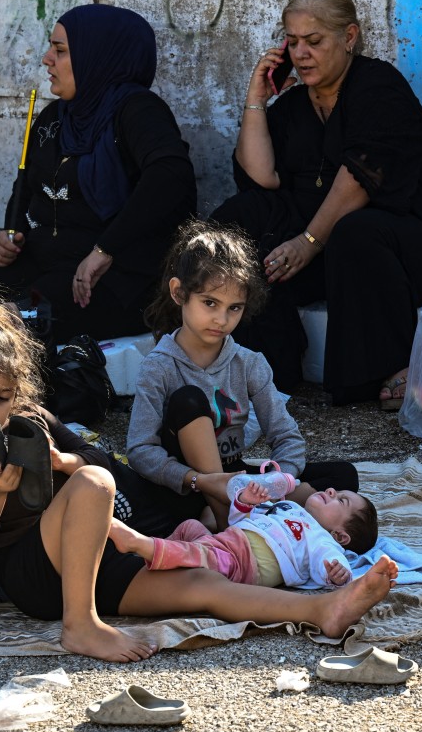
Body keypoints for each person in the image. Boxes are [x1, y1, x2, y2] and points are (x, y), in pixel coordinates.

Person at [0, 297, 397, 663]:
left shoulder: (31, 418)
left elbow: (100, 459)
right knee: (92, 483)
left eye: (4, 396)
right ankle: (81, 625)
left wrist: (64, 461)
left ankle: (325, 611)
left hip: (95, 559)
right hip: (36, 573)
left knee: (201, 584)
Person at [210, 0, 422, 407]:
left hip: (404, 248)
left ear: (349, 37)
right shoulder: (295, 105)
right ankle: (264, 364)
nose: (301, 54)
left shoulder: (378, 88)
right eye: (292, 41)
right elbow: (260, 177)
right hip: (325, 250)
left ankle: (391, 366)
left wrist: (308, 241)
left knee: (355, 231)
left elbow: (360, 178)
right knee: (240, 215)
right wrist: (256, 100)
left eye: (314, 41)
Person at [128, 219, 359, 532]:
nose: (221, 319)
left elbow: (286, 437)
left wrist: (274, 483)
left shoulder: (249, 363)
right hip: (189, 486)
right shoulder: (159, 366)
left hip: (236, 478)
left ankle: (242, 514)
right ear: (179, 292)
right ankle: (228, 518)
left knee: (343, 477)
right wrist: (200, 481)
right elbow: (141, 451)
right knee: (188, 401)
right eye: (209, 303)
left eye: (234, 308)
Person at [0, 3, 196, 344]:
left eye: (60, 50)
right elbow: (26, 187)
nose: (46, 59)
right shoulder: (56, 118)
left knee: (26, 313)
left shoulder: (138, 111)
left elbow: (171, 176)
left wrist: (105, 249)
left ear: (97, 56)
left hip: (112, 281)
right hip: (47, 265)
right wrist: (11, 236)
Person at [109, 476, 378, 589]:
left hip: (243, 564)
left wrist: (339, 575)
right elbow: (239, 522)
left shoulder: (320, 538)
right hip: (228, 540)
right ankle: (142, 563)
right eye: (336, 491)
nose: (331, 491)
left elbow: (329, 563)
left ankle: (142, 546)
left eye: (341, 501)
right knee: (189, 527)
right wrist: (246, 503)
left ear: (340, 536)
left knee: (199, 554)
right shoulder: (289, 508)